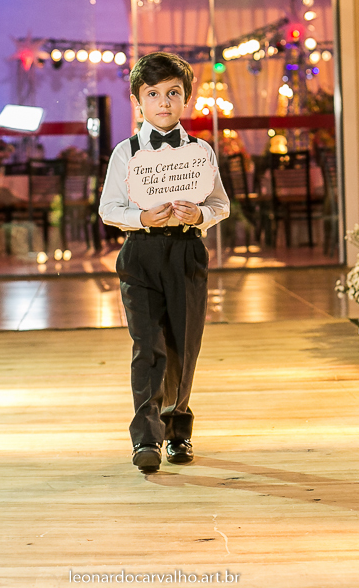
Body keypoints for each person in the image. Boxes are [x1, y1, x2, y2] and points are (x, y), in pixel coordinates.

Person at [99, 52, 230, 473]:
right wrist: (140, 218)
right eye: (153, 94)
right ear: (138, 101)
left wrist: (201, 214)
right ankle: (146, 438)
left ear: (186, 98)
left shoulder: (200, 151)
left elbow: (221, 203)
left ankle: (177, 431)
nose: (163, 102)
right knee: (148, 345)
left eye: (173, 93)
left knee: (183, 346)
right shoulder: (126, 152)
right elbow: (108, 208)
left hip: (186, 252)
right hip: (141, 253)